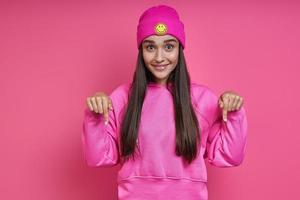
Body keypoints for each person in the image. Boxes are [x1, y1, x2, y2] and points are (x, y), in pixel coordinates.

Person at [82, 4, 247, 200]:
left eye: (169, 46)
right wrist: (96, 114)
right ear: (141, 50)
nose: (160, 57)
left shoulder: (203, 99)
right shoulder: (122, 98)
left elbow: (229, 156)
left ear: (180, 49)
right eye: (150, 47)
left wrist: (234, 112)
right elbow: (98, 157)